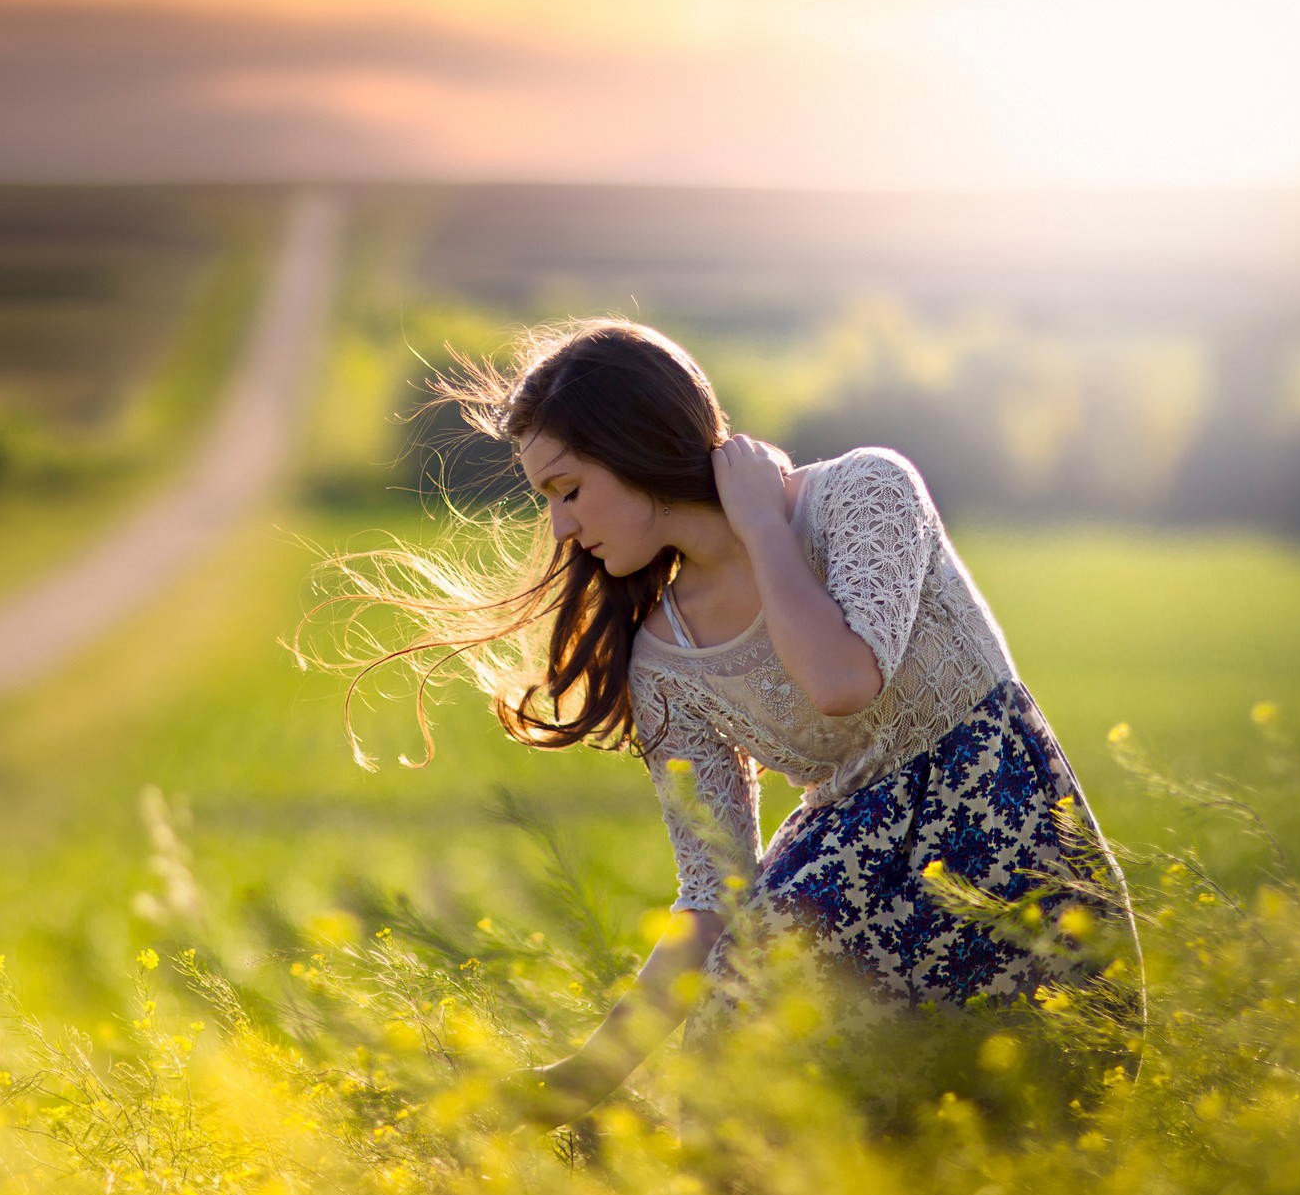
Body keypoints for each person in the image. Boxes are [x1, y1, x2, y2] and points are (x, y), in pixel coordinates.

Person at [300, 315, 1147, 1138]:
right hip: (843, 910)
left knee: (1041, 1152)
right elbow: (714, 894)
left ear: (634, 447)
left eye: (569, 489)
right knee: (777, 1159)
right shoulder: (661, 663)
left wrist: (763, 528)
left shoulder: (865, 491)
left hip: (1013, 857)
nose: (560, 525)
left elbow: (841, 679)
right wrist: (581, 1078)